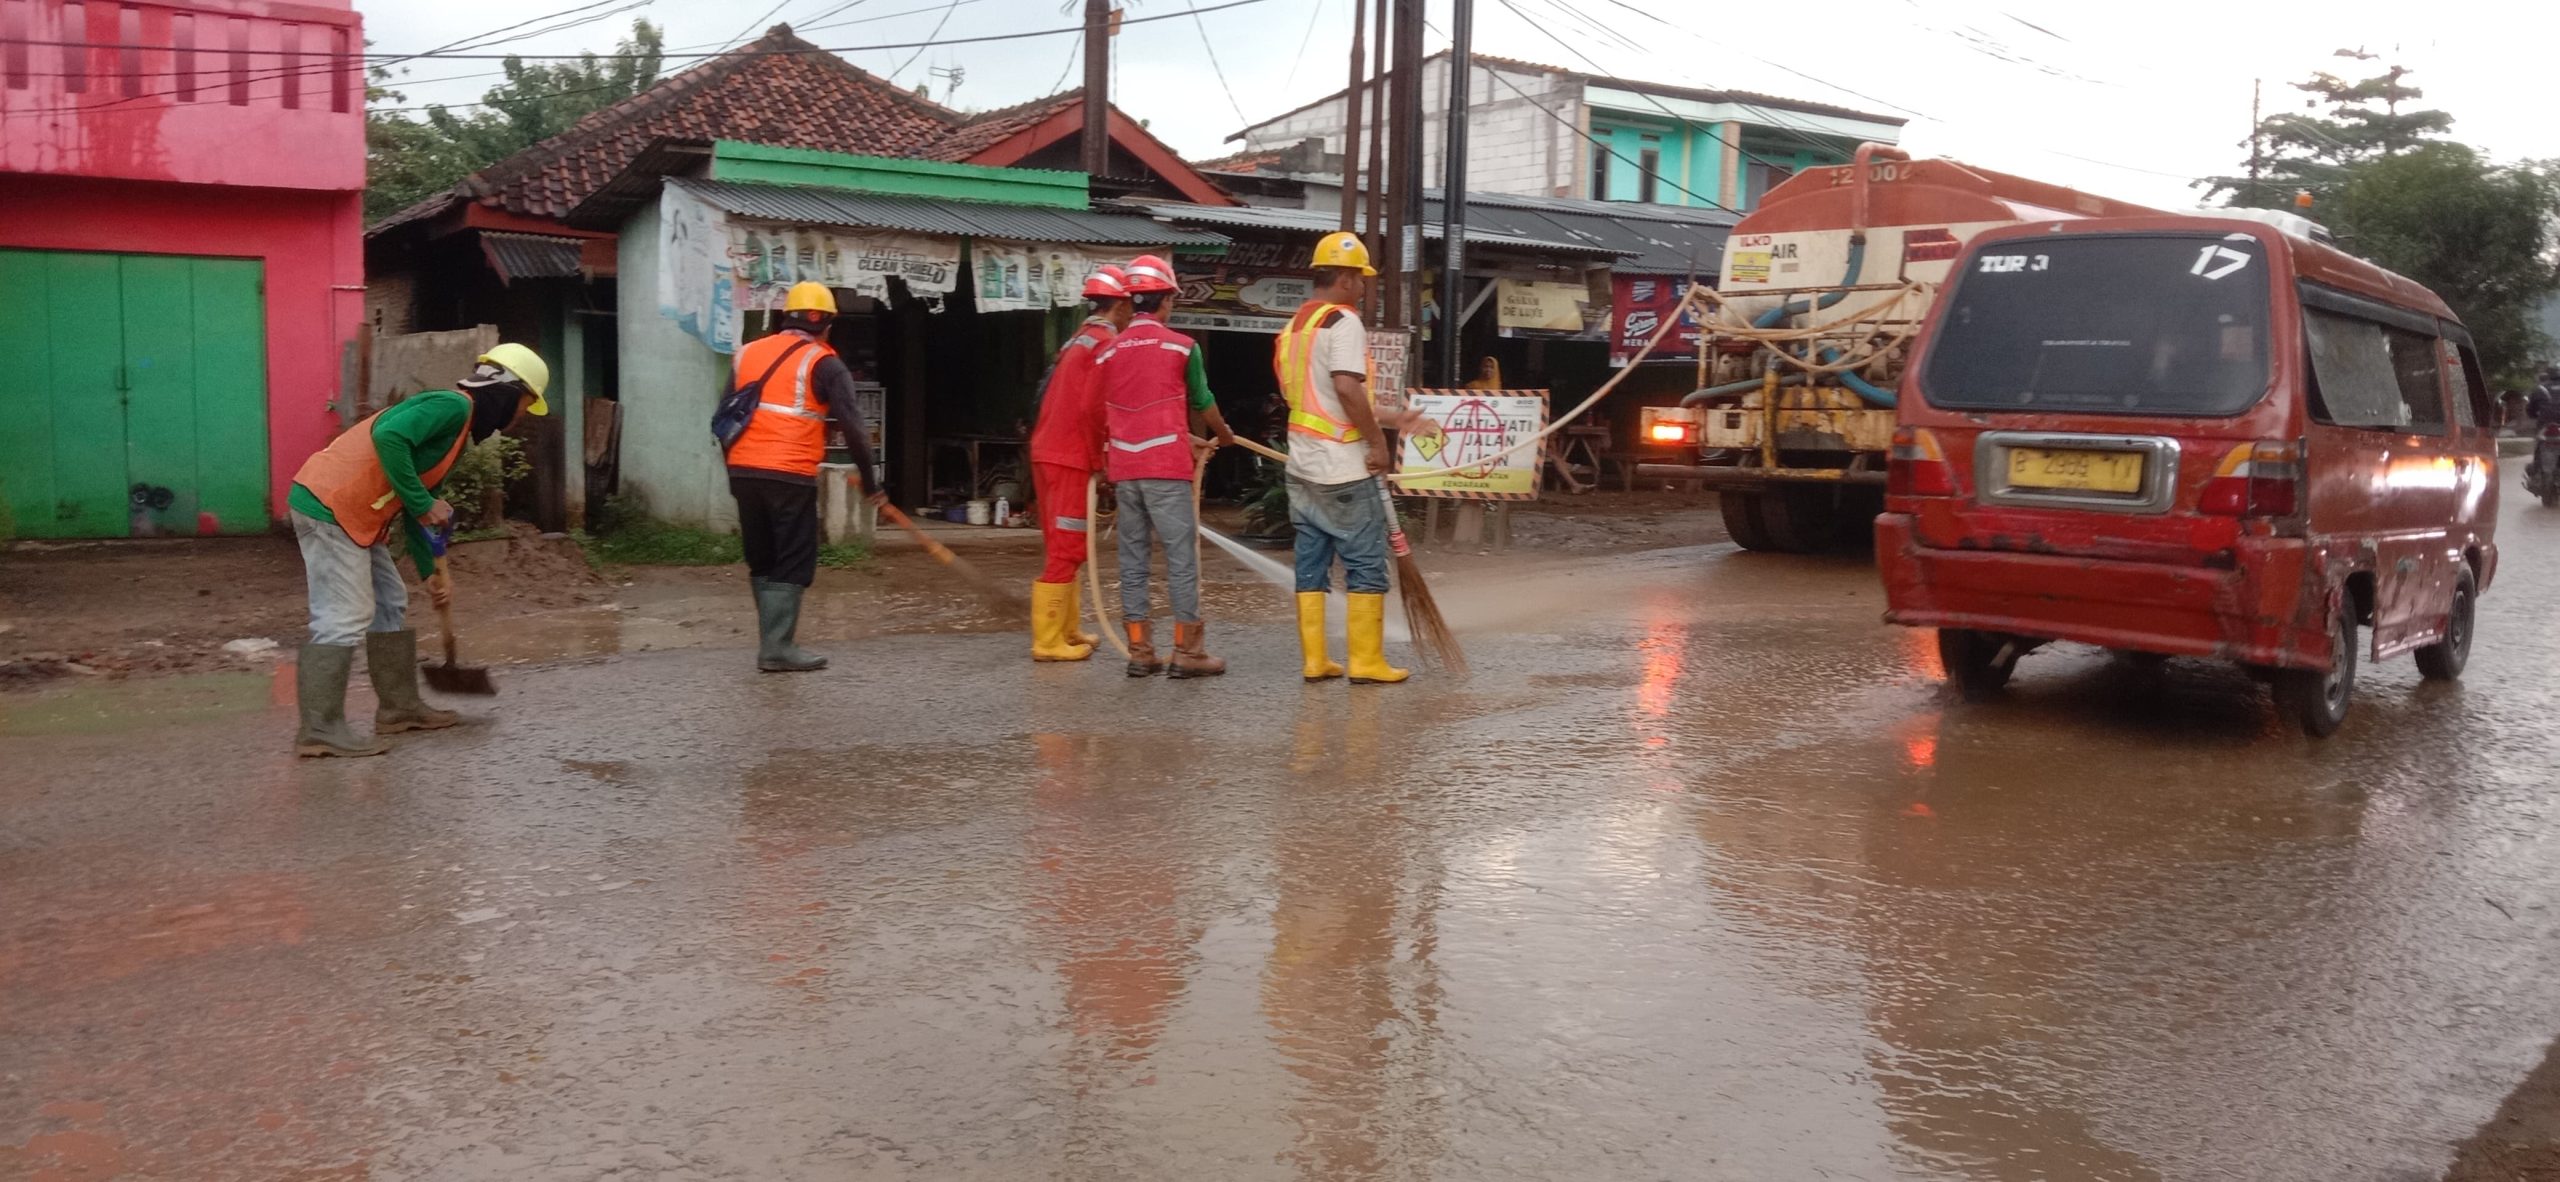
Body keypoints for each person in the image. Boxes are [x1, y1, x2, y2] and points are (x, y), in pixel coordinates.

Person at [285, 344, 549, 757]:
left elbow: (418, 505)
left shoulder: (457, 435)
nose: (518, 418)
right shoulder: (452, 406)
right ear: (507, 392)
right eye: (523, 405)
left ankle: (398, 708)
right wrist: (425, 503)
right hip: (329, 505)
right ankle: (320, 729)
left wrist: (431, 572)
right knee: (344, 615)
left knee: (391, 600)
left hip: (355, 514)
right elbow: (390, 438)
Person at [1273, 232, 1423, 685]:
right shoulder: (1344, 322)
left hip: (1301, 467)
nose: (1362, 287)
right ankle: (1366, 661)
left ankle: (1315, 660)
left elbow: (1320, 400)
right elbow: (1344, 388)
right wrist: (1378, 443)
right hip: (1342, 468)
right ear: (1342, 277)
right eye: (1359, 277)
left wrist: (1395, 418)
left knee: (1311, 563)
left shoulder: (1294, 327)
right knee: (1364, 562)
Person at [725, 280, 886, 673]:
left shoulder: (746, 353)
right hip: (789, 473)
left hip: (743, 471)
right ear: (829, 323)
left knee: (762, 556)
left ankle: (772, 643)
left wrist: (733, 468)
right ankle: (778, 647)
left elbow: (724, 415)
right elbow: (852, 425)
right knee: (794, 558)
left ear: (785, 317)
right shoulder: (824, 362)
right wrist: (871, 481)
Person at [1097, 254, 1238, 678]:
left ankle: (1140, 653)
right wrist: (1223, 433)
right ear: (1166, 301)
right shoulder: (1182, 346)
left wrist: (1183, 435)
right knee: (1181, 559)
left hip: (1125, 470)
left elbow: (1127, 409)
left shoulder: (1109, 352)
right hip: (1166, 469)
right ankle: (1188, 653)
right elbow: (1202, 400)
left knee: (1133, 559)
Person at [1024, 265, 1134, 662]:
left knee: (1063, 543)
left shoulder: (1079, 340)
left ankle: (1066, 629)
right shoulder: (1104, 343)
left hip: (1050, 451)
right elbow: (1094, 408)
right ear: (1120, 304)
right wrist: (1104, 457)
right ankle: (1048, 640)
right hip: (1068, 456)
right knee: (1067, 547)